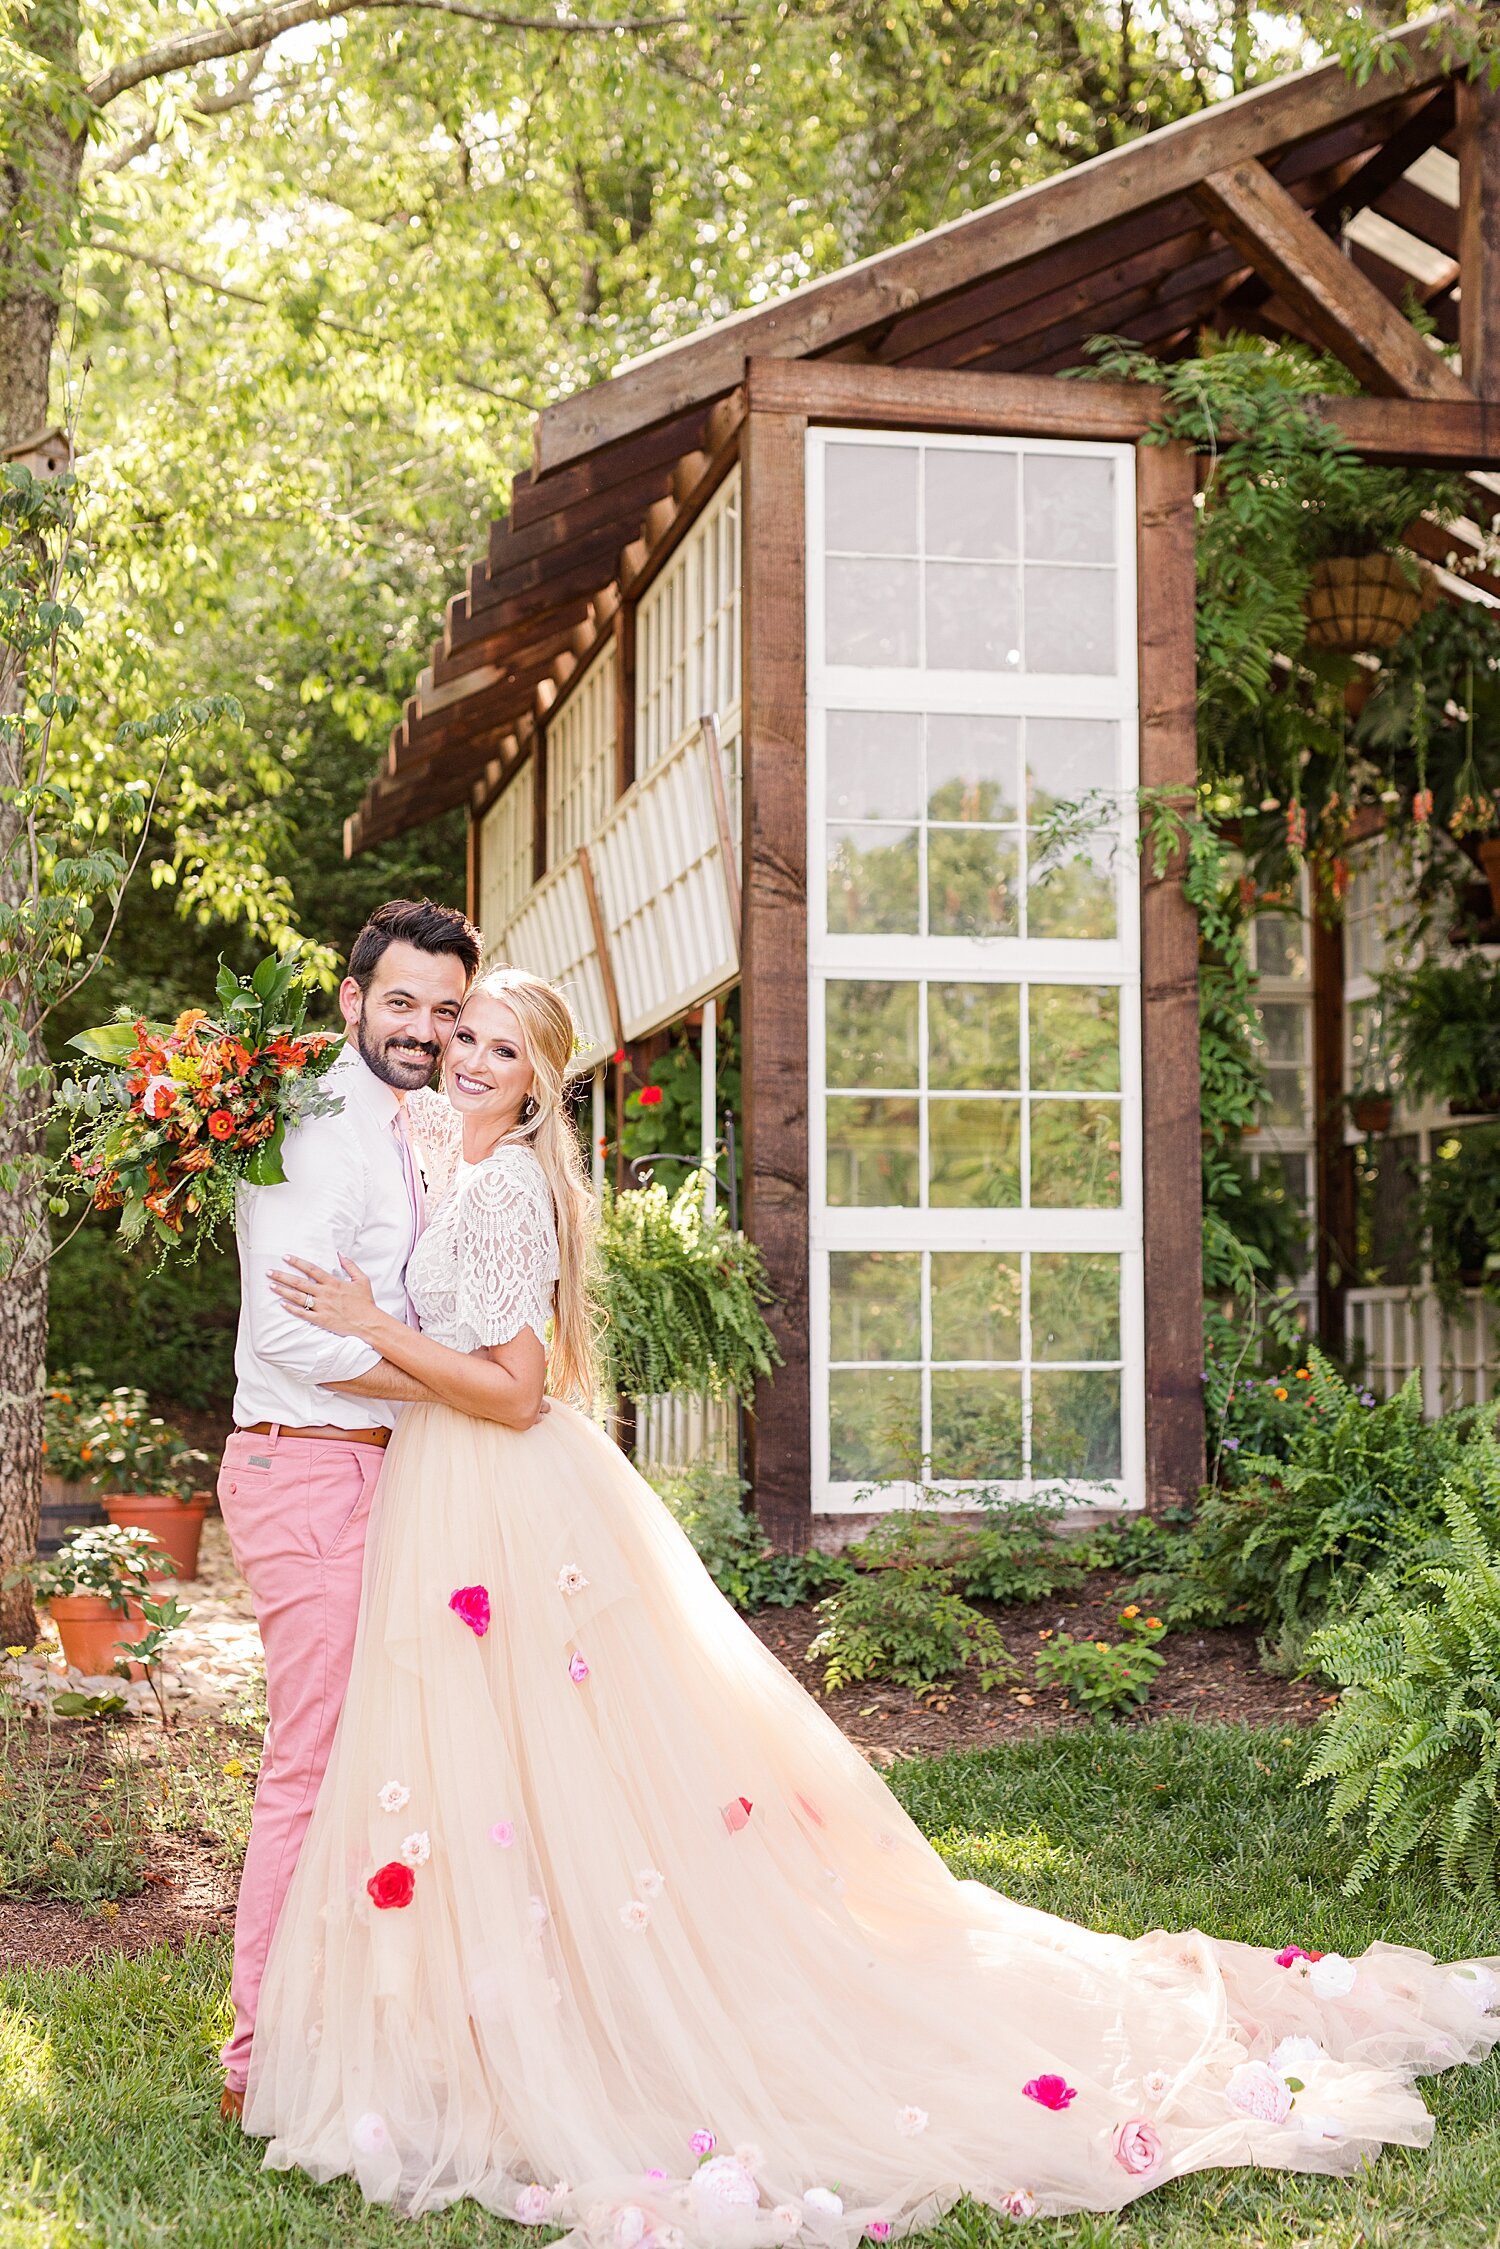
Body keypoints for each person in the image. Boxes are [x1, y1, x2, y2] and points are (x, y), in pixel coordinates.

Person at [246, 964, 1500, 2243]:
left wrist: (366, 1329)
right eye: (465, 1034)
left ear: (535, 1083)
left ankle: (586, 2020)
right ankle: (493, 2014)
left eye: (501, 1049)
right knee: (495, 1773)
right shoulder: (450, 1159)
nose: (467, 1057)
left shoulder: (507, 1186)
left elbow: (513, 1389)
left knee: (552, 1768)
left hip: (499, 1484)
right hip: (455, 1492)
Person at [217, 896, 519, 2117]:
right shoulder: (309, 1129)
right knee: (314, 1759)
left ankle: (370, 2026)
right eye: (401, 1001)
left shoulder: (420, 1128)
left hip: (381, 1466)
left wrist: (446, 1386)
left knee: (392, 1759)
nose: (424, 1026)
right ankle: (258, 2061)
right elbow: (295, 1327)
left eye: (446, 1009)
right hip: (307, 1467)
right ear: (352, 1002)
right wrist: (460, 1390)